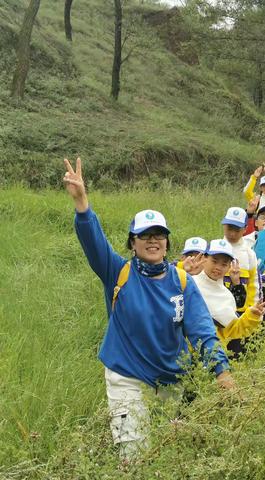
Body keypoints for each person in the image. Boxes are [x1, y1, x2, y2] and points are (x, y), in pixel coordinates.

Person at [63, 157, 233, 460]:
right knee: (134, 452)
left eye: (159, 235)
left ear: (167, 242)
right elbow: (94, 242)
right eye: (144, 235)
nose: (152, 241)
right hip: (126, 375)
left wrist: (221, 370)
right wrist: (82, 204)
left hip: (171, 380)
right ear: (133, 242)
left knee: (164, 450)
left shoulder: (182, 281)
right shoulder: (118, 272)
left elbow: (203, 331)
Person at [192, 239, 265, 346]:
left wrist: (252, 315)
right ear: (204, 259)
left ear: (229, 267)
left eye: (224, 264)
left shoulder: (227, 297)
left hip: (212, 355)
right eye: (214, 261)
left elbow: (233, 331)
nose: (218, 267)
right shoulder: (189, 283)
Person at [220, 207, 261, 355]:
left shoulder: (249, 254)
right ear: (223, 225)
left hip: (240, 312)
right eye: (229, 228)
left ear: (245, 229)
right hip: (217, 310)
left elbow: (255, 284)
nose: (232, 233)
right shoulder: (215, 248)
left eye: (237, 230)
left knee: (236, 351)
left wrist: (252, 310)